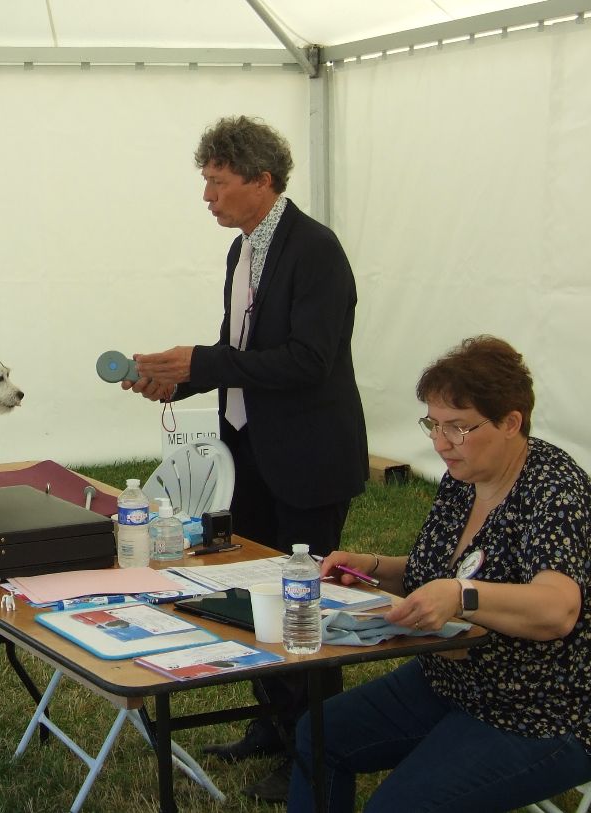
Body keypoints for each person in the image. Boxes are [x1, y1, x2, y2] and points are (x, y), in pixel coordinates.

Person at [123, 115, 368, 802]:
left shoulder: (316, 250)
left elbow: (308, 360)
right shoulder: (243, 249)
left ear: (262, 181)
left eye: (218, 181)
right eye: (206, 181)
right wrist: (180, 379)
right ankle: (273, 723)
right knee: (252, 593)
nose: (207, 196)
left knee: (303, 605)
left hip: (307, 458)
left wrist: (200, 362)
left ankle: (314, 750)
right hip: (251, 451)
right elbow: (245, 353)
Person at [289, 335, 591, 812]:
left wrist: (463, 595)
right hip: (450, 681)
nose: (440, 442)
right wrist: (372, 568)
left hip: (540, 709)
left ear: (511, 422)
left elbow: (558, 609)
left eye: (458, 427)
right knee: (320, 734)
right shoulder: (464, 478)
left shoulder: (554, 489)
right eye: (433, 424)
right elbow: (435, 576)